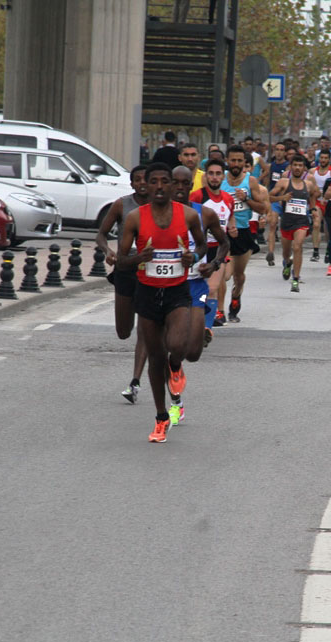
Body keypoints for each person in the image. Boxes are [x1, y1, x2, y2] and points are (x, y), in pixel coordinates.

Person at [116, 162, 206, 443]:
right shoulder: (135, 218)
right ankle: (161, 417)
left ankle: (176, 365)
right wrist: (138, 258)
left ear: (171, 185)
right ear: (147, 184)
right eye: (153, 181)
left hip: (177, 292)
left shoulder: (188, 215)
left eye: (164, 181)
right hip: (147, 292)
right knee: (155, 358)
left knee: (176, 346)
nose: (158, 186)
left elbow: (203, 245)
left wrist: (194, 257)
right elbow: (121, 260)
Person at [168, 164, 229, 425]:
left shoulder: (204, 213)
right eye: (176, 183)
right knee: (172, 346)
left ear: (192, 183)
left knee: (193, 352)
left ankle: (178, 363)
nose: (180, 188)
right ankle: (175, 402)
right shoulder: (155, 214)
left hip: (195, 285)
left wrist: (213, 264)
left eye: (186, 183)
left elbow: (224, 243)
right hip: (166, 287)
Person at [96, 165, 149, 403]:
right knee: (123, 331)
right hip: (125, 269)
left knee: (145, 328)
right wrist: (108, 251)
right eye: (137, 179)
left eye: (146, 179)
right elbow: (101, 234)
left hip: (149, 271)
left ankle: (135, 381)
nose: (142, 183)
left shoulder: (160, 206)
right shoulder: (121, 205)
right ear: (132, 183)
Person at [219, 146, 268, 322]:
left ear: (244, 163)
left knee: (238, 276)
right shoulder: (220, 178)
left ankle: (236, 297)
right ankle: (219, 311)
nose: (236, 164)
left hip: (243, 232)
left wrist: (246, 199)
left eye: (240, 161)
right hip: (223, 232)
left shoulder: (250, 181)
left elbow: (262, 208)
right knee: (223, 274)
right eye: (233, 160)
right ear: (227, 161)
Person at [189, 157, 233, 343]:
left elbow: (229, 218)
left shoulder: (228, 199)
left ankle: (206, 329)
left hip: (218, 249)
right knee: (200, 289)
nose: (214, 177)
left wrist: (232, 227)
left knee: (213, 288)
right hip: (200, 249)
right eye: (211, 174)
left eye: (218, 174)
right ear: (205, 176)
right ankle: (195, 320)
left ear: (223, 177)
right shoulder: (197, 197)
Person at [270, 153, 320, 291]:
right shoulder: (283, 182)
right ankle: (287, 263)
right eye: (295, 165)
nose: (297, 168)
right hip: (287, 222)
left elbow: (313, 196)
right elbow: (269, 197)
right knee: (286, 253)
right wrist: (282, 198)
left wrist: (313, 209)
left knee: (297, 247)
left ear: (304, 168)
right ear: (291, 167)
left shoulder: (308, 184)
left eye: (300, 165)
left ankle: (296, 279)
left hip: (301, 222)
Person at [309, 149, 331, 262]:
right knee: (316, 224)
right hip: (317, 202)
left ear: (329, 159)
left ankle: (328, 250)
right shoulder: (312, 171)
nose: (323, 160)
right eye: (321, 158)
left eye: (325, 158)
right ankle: (315, 251)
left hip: (329, 203)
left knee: (328, 229)